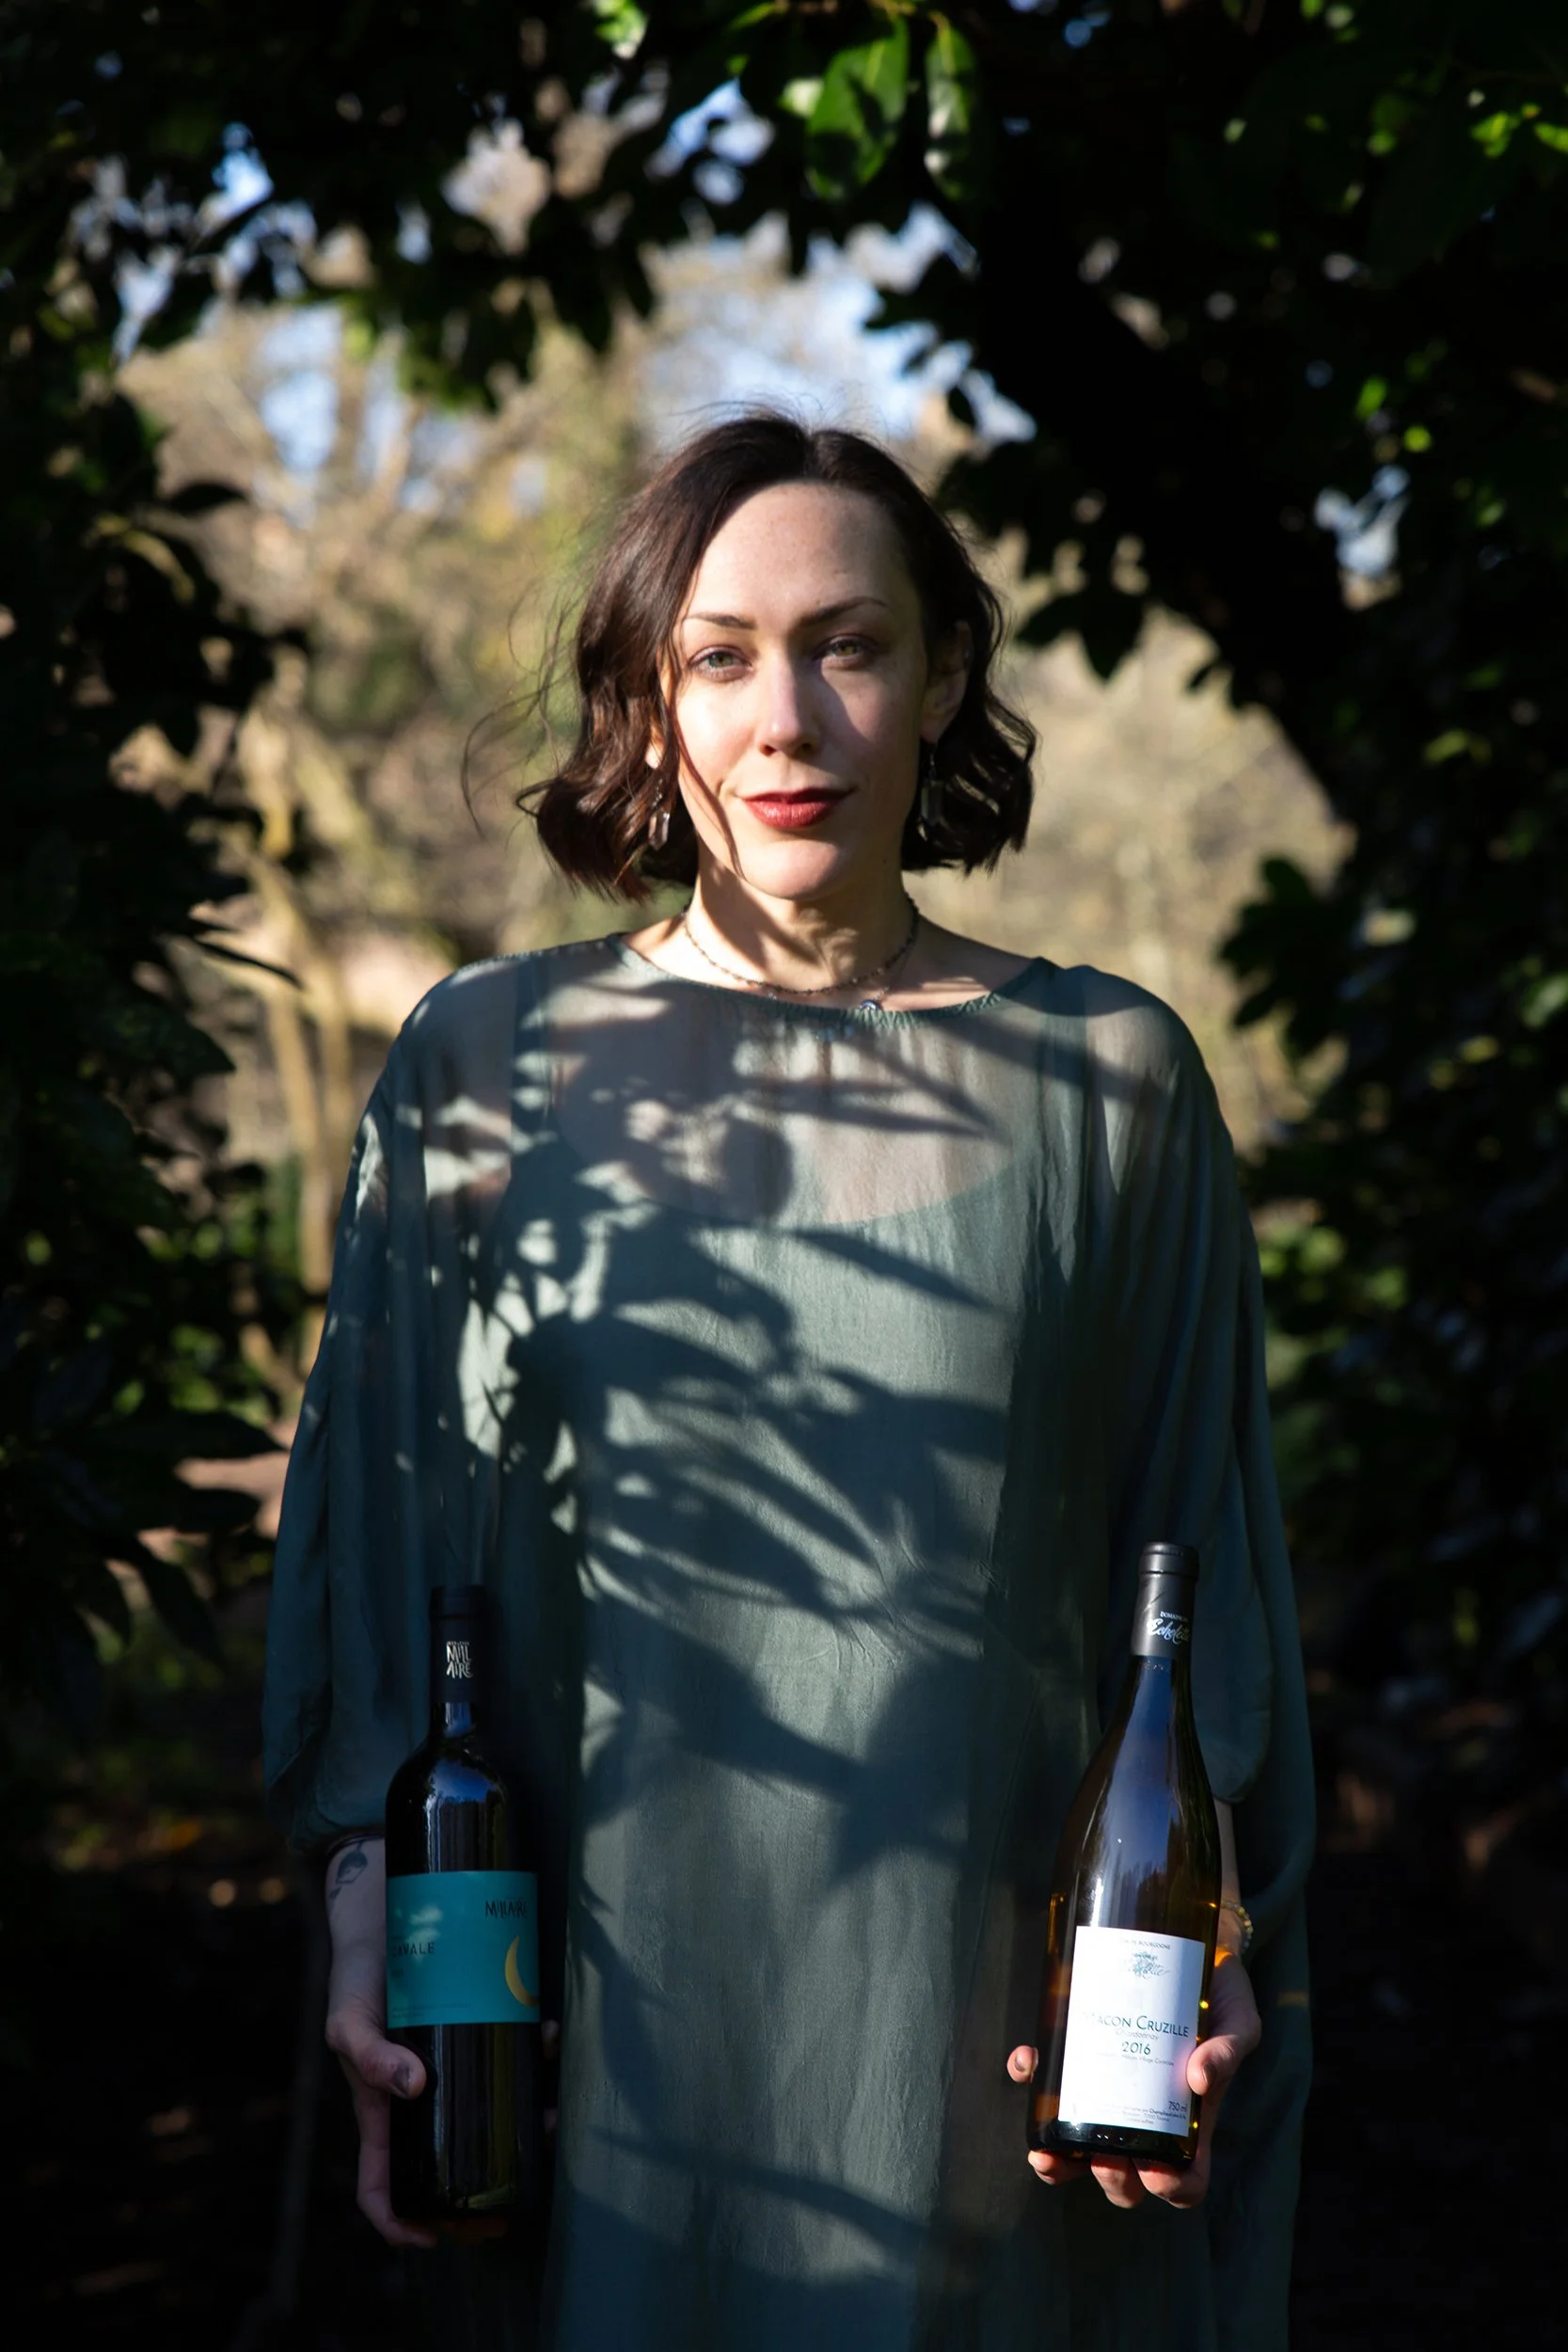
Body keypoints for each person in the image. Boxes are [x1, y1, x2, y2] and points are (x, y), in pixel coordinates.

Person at [262, 412, 1314, 2352]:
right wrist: (356, 1902)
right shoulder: (479, 1069)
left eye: (849, 645)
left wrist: (1215, 1921)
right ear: (647, 710)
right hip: (584, 2036)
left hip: (986, 2037)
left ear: (936, 682)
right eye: (720, 654)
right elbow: (384, 1554)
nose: (788, 718)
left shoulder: (1113, 1082)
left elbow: (1190, 1567)